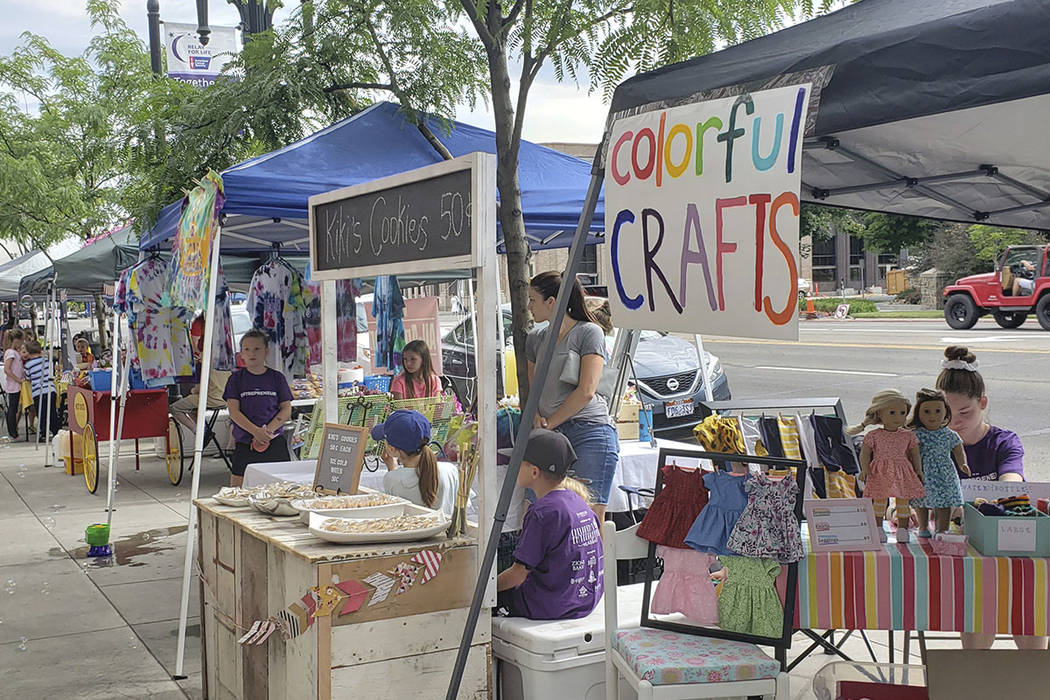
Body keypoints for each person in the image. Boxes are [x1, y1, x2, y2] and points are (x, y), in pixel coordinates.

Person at [936, 345, 1048, 651]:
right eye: (946, 415)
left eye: (965, 412)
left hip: (1003, 539)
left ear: (982, 403)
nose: (955, 422)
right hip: (962, 550)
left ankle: (1034, 678)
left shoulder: (1003, 441)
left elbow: (1012, 483)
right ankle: (978, 675)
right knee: (979, 611)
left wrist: (991, 498)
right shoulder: (936, 444)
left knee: (1029, 599)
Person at [525, 271, 620, 522]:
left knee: (586, 517)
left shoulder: (589, 333)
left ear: (551, 302)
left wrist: (549, 423)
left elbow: (586, 391)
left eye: (533, 300)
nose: (529, 307)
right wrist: (537, 418)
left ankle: (588, 562)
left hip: (589, 431)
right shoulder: (535, 339)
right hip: (549, 435)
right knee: (535, 511)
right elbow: (532, 390)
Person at [495, 428, 603, 620]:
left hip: (552, 605)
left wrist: (484, 592)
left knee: (483, 603)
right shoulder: (579, 501)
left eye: (518, 463)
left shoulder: (542, 512)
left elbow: (518, 574)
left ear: (534, 471)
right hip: (585, 601)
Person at [223, 330, 292, 487]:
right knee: (238, 490)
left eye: (257, 349)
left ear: (266, 351)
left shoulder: (277, 377)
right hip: (245, 442)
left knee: (283, 488)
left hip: (273, 441)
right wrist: (256, 432)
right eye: (247, 349)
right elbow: (234, 411)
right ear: (241, 354)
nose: (252, 353)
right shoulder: (236, 379)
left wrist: (267, 432)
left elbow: (286, 408)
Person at [373, 409, 459, 516]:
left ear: (391, 449)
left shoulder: (391, 479)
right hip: (444, 531)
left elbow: (394, 513)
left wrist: (392, 469)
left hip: (414, 532)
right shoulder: (450, 470)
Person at [171, 314, 232, 439]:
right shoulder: (225, 360)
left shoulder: (202, 362)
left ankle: (198, 431)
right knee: (193, 407)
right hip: (225, 400)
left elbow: (198, 389)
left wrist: (192, 391)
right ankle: (203, 430)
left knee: (174, 408)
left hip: (209, 400)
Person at [23, 339, 58, 440]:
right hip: (51, 390)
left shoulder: (28, 365)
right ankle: (55, 430)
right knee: (52, 412)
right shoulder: (47, 361)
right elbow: (52, 372)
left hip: (38, 392)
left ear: (29, 353)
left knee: (41, 414)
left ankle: (44, 433)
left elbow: (28, 378)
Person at [3, 329, 24, 439]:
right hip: (13, 386)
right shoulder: (11, 353)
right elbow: (7, 369)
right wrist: (17, 379)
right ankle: (12, 431)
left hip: (16, 385)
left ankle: (13, 429)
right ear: (15, 340)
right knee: (13, 409)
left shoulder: (13, 352)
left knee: (15, 408)